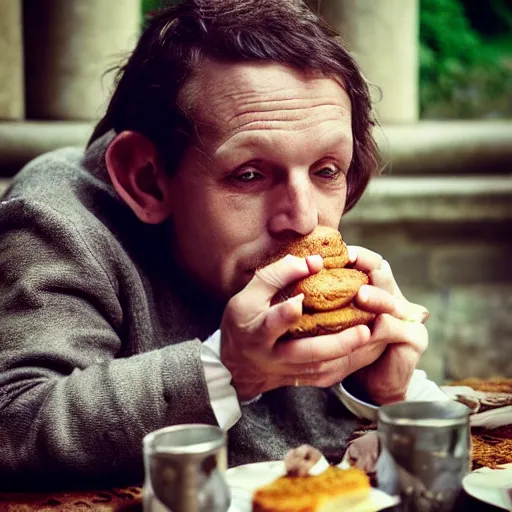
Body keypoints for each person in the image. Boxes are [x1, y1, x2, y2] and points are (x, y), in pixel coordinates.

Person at [0, 0, 446, 491]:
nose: (304, 219)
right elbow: (15, 422)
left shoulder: (291, 237)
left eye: (326, 170)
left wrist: (388, 394)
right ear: (147, 179)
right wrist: (228, 369)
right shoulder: (55, 218)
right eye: (250, 175)